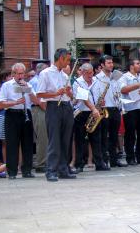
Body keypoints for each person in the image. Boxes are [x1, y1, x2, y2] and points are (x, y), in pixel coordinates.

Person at [37, 48, 80, 182]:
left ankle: (63, 169)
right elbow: (39, 94)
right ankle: (51, 170)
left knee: (66, 139)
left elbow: (71, 95)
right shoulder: (45, 73)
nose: (68, 63)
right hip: (53, 106)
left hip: (66, 106)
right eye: (67, 60)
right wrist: (56, 93)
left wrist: (69, 92)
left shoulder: (65, 75)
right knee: (54, 140)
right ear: (60, 58)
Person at [0, 63, 39, 179]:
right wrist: (15, 102)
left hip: (26, 114)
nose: (21, 76)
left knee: (28, 143)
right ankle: (12, 172)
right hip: (12, 114)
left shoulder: (28, 84)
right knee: (12, 143)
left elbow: (36, 101)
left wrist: (28, 90)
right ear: (13, 73)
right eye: (18, 73)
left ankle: (27, 171)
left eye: (22, 73)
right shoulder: (6, 85)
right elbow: (1, 103)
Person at [73, 63, 108, 171]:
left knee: (97, 139)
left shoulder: (97, 82)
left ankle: (99, 163)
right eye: (87, 73)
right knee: (80, 140)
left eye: (91, 72)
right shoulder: (77, 82)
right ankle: (79, 164)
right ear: (82, 72)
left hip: (95, 112)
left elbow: (99, 96)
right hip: (82, 113)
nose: (90, 75)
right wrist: (94, 109)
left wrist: (101, 103)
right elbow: (84, 98)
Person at [92, 55, 126, 168]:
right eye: (108, 63)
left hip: (115, 108)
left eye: (112, 62)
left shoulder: (115, 77)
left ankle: (114, 159)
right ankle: (104, 161)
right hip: (104, 109)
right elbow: (95, 93)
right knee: (103, 136)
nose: (111, 65)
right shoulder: (97, 78)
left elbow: (118, 92)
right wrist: (98, 103)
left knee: (114, 136)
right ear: (102, 65)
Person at [119, 59, 140, 165]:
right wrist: (137, 85)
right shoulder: (124, 77)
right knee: (130, 134)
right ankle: (130, 157)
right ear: (131, 66)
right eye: (138, 63)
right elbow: (123, 89)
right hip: (130, 108)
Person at [28, 63, 48, 172]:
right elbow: (36, 99)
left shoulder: (41, 80)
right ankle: (41, 163)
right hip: (39, 108)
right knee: (42, 136)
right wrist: (45, 108)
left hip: (44, 108)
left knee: (46, 136)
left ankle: (46, 161)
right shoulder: (35, 81)